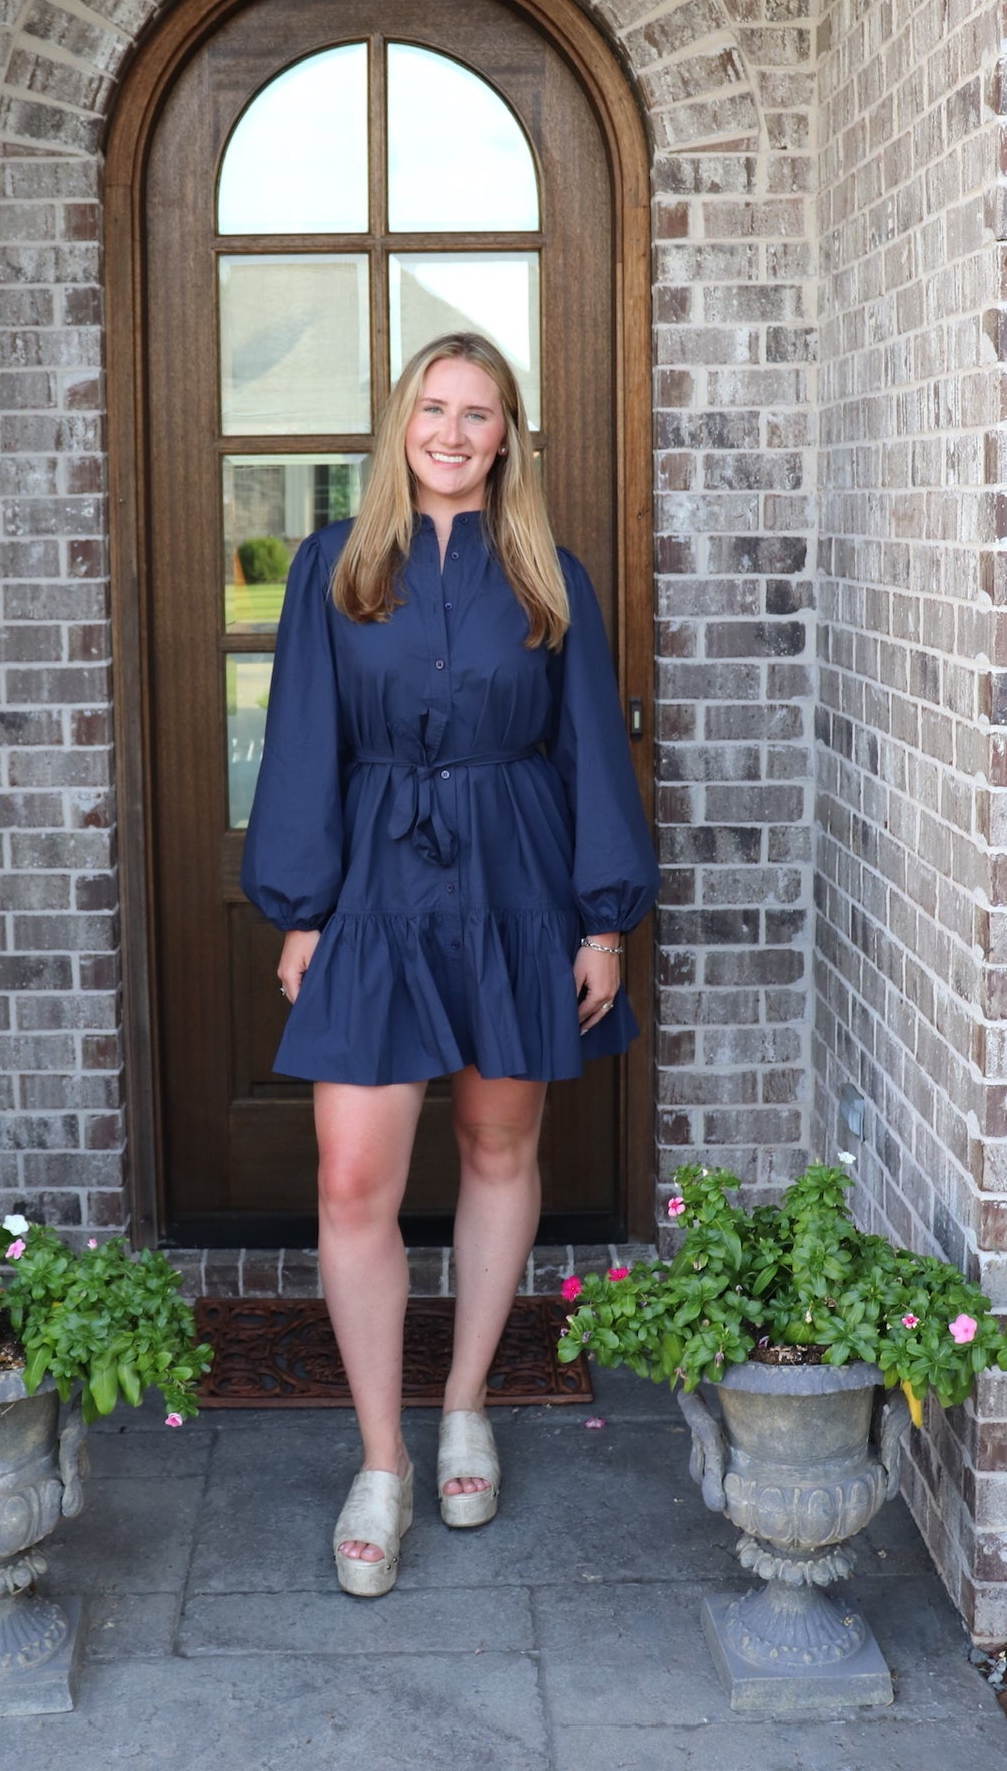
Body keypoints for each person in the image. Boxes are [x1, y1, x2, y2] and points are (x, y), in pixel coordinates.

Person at [240, 330, 658, 1596]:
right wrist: (301, 907)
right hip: (373, 877)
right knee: (353, 1170)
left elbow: (589, 744)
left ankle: (466, 1399)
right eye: (434, 407)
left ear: (506, 435)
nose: (454, 431)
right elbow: (303, 738)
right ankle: (381, 1460)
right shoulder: (333, 565)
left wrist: (601, 918)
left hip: (511, 879)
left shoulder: (547, 576)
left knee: (494, 1143)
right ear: (399, 422)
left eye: (480, 413)